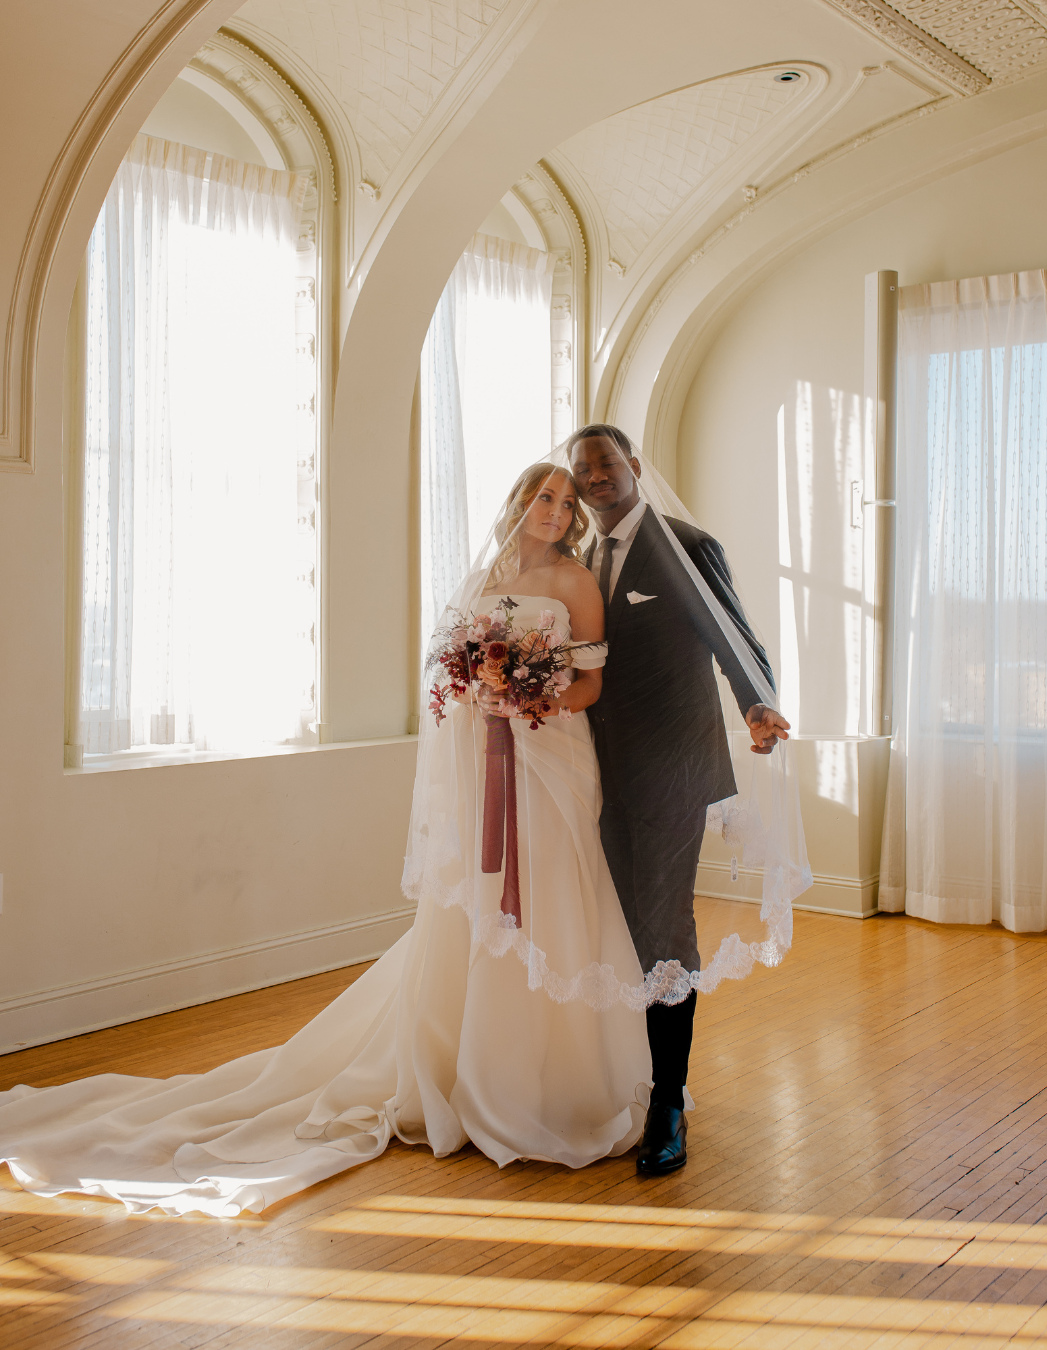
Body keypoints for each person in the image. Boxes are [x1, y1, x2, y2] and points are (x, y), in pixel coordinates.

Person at [0, 464, 653, 1218]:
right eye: (547, 497)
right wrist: (483, 693)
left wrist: (528, 697)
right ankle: (466, 1067)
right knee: (481, 897)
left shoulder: (576, 582)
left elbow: (591, 686)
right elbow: (450, 671)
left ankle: (564, 1078)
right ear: (520, 500)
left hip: (555, 759)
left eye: (568, 503)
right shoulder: (485, 577)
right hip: (487, 759)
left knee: (556, 889)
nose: (558, 511)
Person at [567, 424, 790, 1176]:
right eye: (583, 468)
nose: (596, 476)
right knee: (617, 926)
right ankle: (621, 1073)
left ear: (633, 465)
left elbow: (735, 636)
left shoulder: (688, 543)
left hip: (673, 769)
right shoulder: (580, 555)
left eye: (606, 462)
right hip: (593, 772)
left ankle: (668, 1101)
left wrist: (758, 706)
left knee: (664, 927)